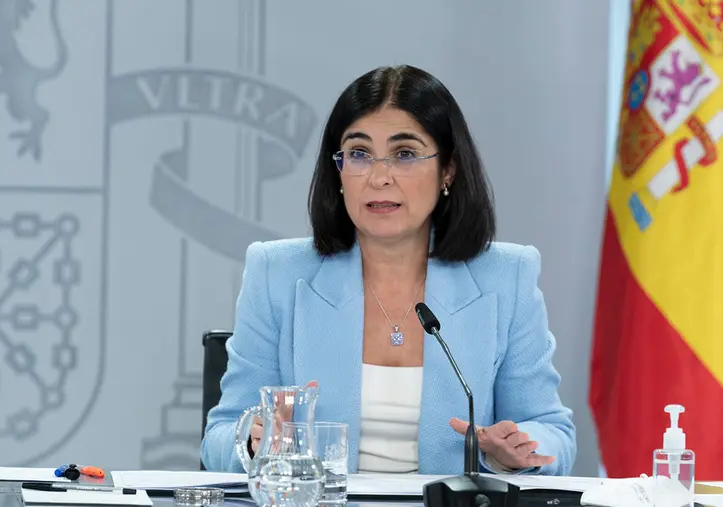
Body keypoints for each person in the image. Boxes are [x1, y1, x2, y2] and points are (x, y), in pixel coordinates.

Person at [201, 65, 576, 476]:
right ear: (339, 170)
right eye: (359, 154)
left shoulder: (507, 277)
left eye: (405, 154)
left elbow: (554, 433)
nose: (379, 177)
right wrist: (254, 443)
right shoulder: (277, 273)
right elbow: (220, 436)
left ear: (447, 169)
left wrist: (515, 451)